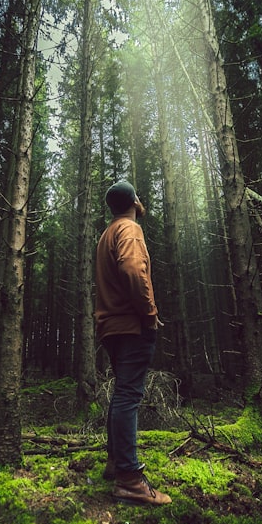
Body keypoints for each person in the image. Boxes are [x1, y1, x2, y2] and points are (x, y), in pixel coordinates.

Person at [95, 180, 172, 505]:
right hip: (130, 325)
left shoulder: (107, 233)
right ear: (134, 201)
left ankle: (116, 464)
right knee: (128, 395)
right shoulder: (129, 228)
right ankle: (129, 479)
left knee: (121, 394)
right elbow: (132, 269)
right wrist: (150, 312)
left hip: (111, 327)